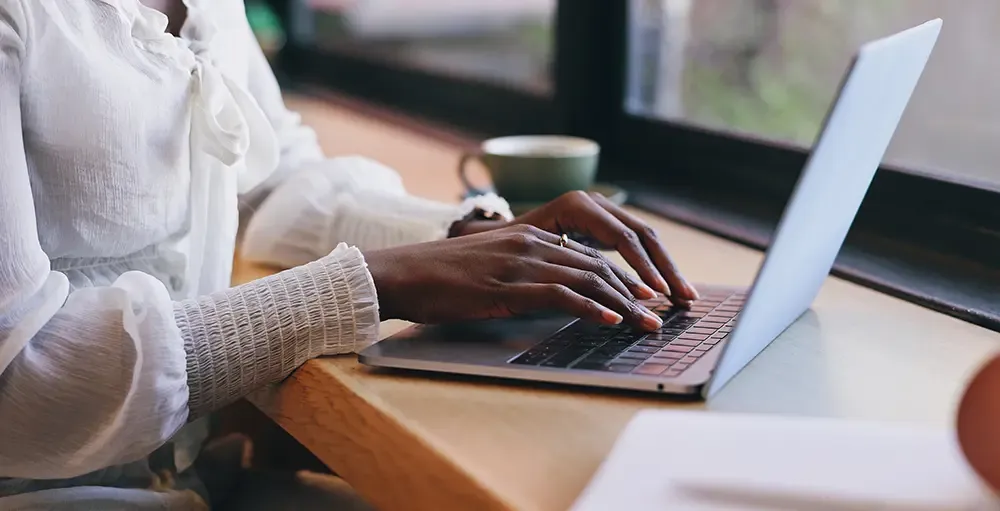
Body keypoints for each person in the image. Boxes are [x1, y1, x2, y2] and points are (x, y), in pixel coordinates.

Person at [0, 0, 698, 508]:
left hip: (181, 471)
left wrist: (464, 236)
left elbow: (265, 179)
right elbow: (21, 384)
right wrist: (372, 285)